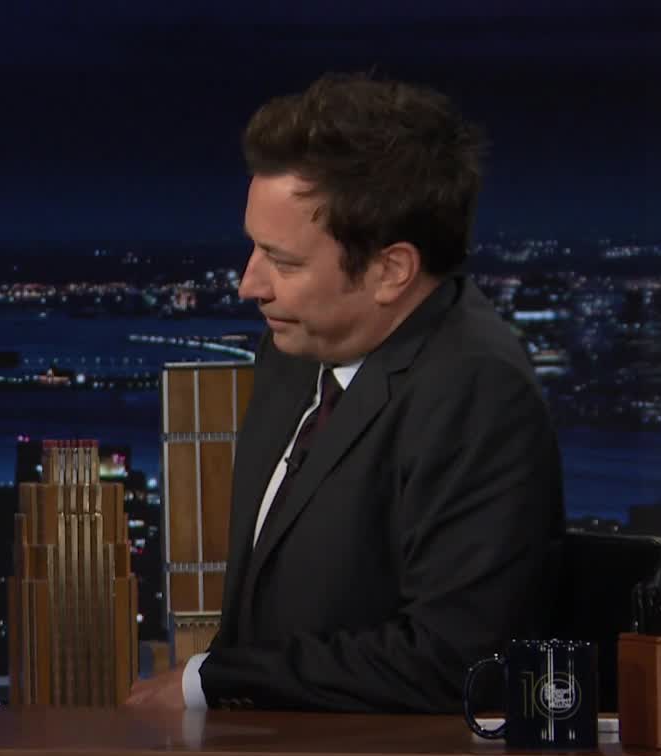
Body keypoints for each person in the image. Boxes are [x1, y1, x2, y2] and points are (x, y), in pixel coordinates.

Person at [126, 73, 563, 714]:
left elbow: (454, 662)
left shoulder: (477, 393)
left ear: (391, 270)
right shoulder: (292, 354)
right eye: (253, 248)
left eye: (284, 261)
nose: (249, 284)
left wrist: (211, 681)